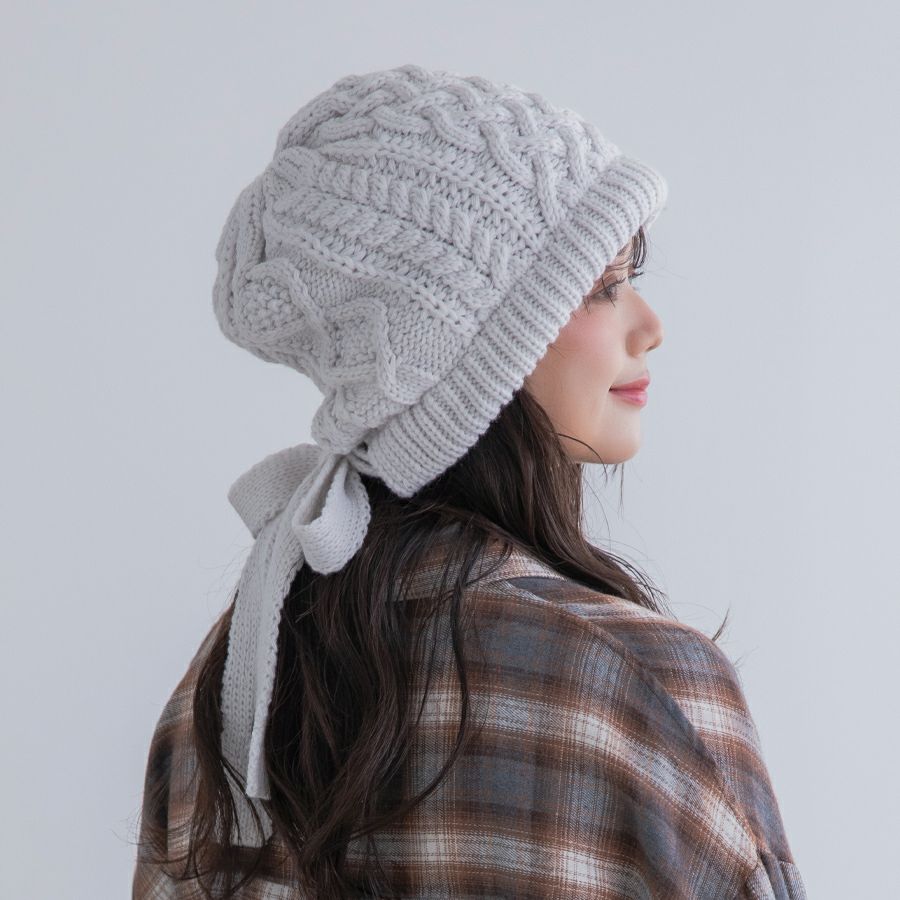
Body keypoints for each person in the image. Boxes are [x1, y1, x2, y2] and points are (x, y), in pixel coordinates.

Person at [132, 63, 807, 899]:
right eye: (602, 289)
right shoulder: (643, 686)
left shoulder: (234, 689)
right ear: (468, 348)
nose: (650, 326)